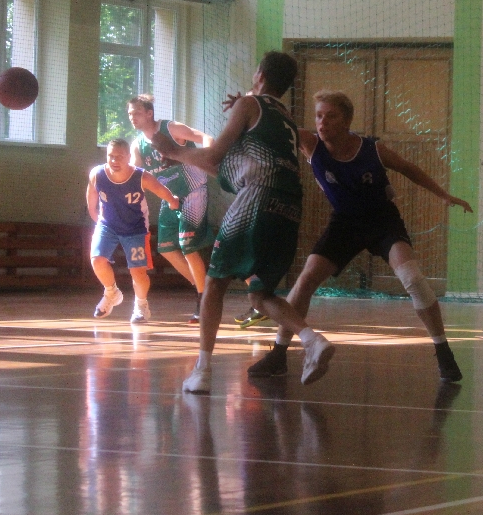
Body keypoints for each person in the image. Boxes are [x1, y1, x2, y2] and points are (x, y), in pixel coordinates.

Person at [245, 89, 473, 383]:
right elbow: (275, 121)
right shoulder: (311, 143)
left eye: (331, 116)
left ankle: (443, 350)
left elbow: (409, 169)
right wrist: (247, 102)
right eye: (319, 116)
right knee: (305, 280)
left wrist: (443, 195)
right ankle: (278, 354)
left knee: (413, 279)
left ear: (347, 120)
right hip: (344, 224)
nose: (322, 122)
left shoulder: (372, 150)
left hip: (382, 220)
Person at [153, 51, 335, 394]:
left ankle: (202, 371)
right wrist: (183, 156)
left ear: (260, 74)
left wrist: (172, 150)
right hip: (289, 207)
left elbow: (212, 155)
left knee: (215, 283)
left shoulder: (250, 105)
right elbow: (225, 168)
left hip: (258, 199)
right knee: (260, 295)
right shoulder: (286, 121)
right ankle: (313, 339)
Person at [127, 94, 215, 325]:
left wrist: (207, 157)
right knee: (166, 248)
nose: (132, 117)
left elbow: (206, 137)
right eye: (130, 114)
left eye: (137, 112)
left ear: (149, 113)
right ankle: (205, 289)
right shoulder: (138, 145)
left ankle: (203, 300)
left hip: (193, 190)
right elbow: (136, 176)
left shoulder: (171, 128)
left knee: (187, 246)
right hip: (170, 197)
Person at [87, 139, 180, 321]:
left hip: (135, 229)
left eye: (119, 157)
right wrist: (96, 217)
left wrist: (172, 200)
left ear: (129, 157)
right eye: (111, 156)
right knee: (97, 260)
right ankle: (111, 293)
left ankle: (141, 305)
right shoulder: (97, 174)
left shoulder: (141, 176)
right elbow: (91, 197)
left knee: (138, 271)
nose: (114, 160)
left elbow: (161, 190)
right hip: (107, 225)